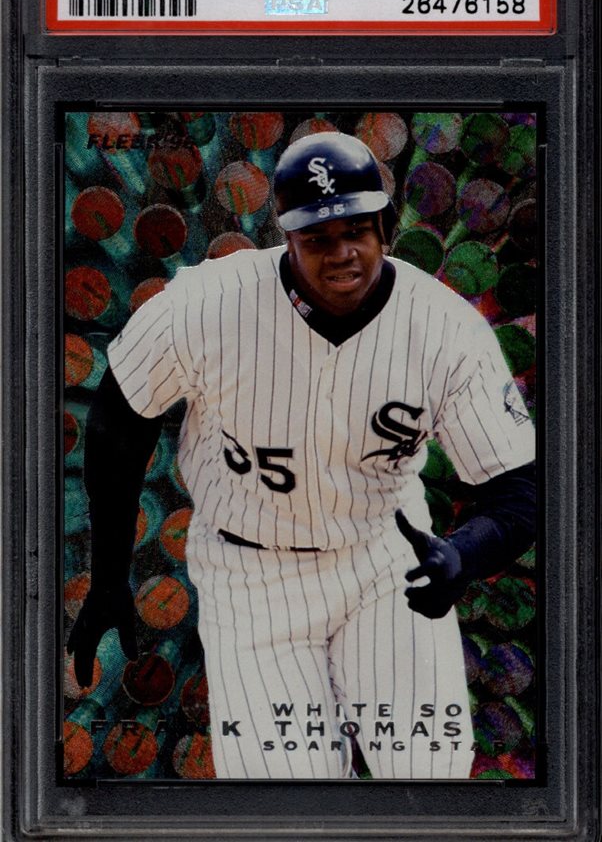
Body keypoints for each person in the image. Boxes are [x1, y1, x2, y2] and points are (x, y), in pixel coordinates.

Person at [68, 131, 536, 779]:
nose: (341, 252)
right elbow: (118, 421)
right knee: (283, 792)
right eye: (317, 237)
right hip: (251, 574)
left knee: (429, 772)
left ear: (384, 226)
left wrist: (465, 554)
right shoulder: (207, 303)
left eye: (357, 230)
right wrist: (110, 574)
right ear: (286, 237)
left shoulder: (445, 328)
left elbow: (518, 488)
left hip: (384, 563)